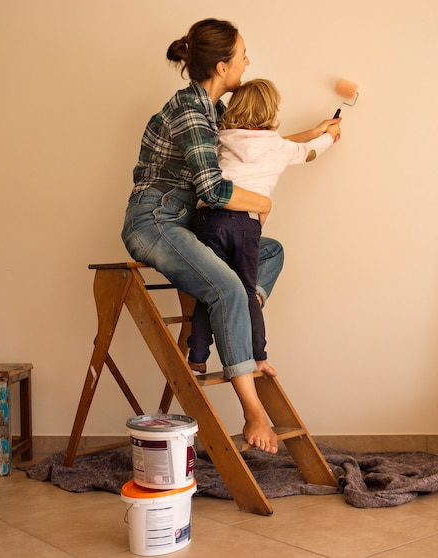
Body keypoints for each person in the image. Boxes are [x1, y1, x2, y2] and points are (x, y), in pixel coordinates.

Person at [121, 18, 341, 454]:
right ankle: (252, 411)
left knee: (270, 252)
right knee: (227, 289)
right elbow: (213, 190)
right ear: (222, 66)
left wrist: (314, 134)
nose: (247, 62)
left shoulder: (213, 110)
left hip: (185, 221)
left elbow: (256, 146)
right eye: (242, 55)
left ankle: (244, 304)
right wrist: (264, 204)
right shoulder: (190, 111)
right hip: (155, 220)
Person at [187, 78, 340, 374]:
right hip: (245, 225)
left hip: (208, 219)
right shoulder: (278, 147)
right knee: (245, 290)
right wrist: (328, 137)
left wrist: (316, 129)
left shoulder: (222, 137)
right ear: (272, 112)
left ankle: (197, 355)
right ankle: (258, 357)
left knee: (212, 287)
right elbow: (307, 152)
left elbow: (281, 144)